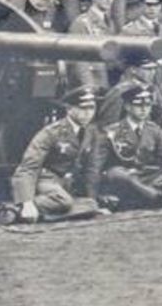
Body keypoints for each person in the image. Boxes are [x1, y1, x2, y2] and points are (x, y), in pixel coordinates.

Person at [87, 82, 162, 209]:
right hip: (123, 180)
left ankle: (144, 196)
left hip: (146, 177)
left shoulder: (154, 130)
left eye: (148, 105)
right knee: (116, 173)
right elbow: (94, 167)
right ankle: (155, 196)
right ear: (128, 107)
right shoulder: (111, 132)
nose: (144, 109)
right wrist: (92, 199)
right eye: (138, 105)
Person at [10, 85, 101, 222]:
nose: (88, 113)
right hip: (46, 179)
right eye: (83, 108)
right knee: (63, 201)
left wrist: (92, 199)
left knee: (91, 205)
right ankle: (18, 208)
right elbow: (28, 167)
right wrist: (27, 202)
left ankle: (27, 213)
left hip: (67, 183)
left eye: (92, 108)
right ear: (69, 109)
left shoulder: (91, 132)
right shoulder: (51, 132)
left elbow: (91, 169)